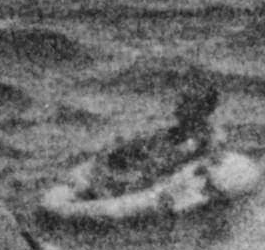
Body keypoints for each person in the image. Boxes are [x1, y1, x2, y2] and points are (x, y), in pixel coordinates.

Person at [85, 73, 223, 197]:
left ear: (202, 109)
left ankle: (105, 190)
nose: (178, 104)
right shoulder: (174, 132)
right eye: (181, 98)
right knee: (118, 153)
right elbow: (151, 145)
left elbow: (173, 166)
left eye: (186, 101)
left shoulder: (202, 139)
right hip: (147, 171)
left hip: (155, 182)